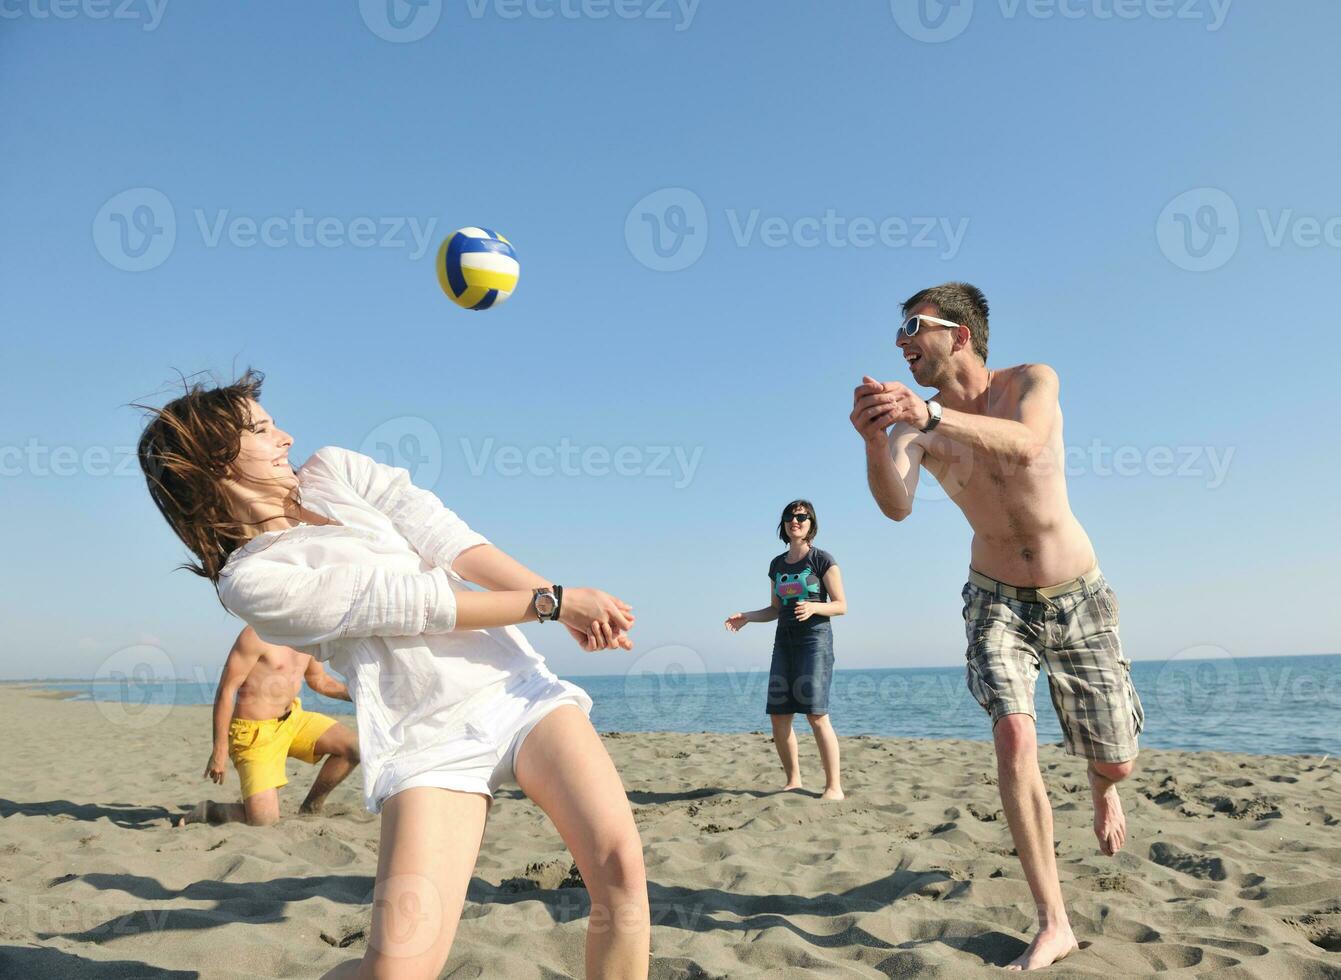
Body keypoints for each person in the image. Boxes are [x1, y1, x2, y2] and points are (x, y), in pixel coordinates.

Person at [136, 370, 650, 980]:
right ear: (213, 463)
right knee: (397, 971)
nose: (286, 436)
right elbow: (413, 604)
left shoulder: (336, 470)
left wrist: (558, 599)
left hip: (516, 692)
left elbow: (453, 542)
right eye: (264, 428)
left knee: (619, 868)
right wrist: (554, 604)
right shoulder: (250, 581)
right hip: (425, 740)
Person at [850, 282, 1145, 971]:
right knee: (1013, 733)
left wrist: (925, 416)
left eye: (912, 326)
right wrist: (875, 441)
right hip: (994, 599)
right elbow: (895, 505)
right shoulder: (916, 427)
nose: (900, 342)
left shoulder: (1029, 382)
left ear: (958, 333)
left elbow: (1024, 444)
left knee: (1117, 758)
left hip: (1078, 594)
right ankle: (1053, 921)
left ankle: (1103, 787)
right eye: (898, 331)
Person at [175, 625, 361, 827]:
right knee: (264, 821)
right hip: (254, 734)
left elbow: (319, 680)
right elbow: (226, 690)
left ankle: (310, 807)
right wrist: (219, 749)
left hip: (293, 720)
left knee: (354, 748)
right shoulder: (256, 635)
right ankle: (209, 810)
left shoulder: (310, 634)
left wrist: (359, 695)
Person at [725, 499, 846, 800]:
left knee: (816, 715)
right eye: (790, 517)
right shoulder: (777, 565)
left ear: (810, 523)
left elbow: (841, 605)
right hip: (784, 643)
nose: (796, 521)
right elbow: (775, 609)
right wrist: (748, 618)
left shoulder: (822, 560)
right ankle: (793, 780)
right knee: (779, 714)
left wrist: (814, 607)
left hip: (815, 642)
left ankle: (834, 787)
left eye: (802, 516)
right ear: (784, 524)